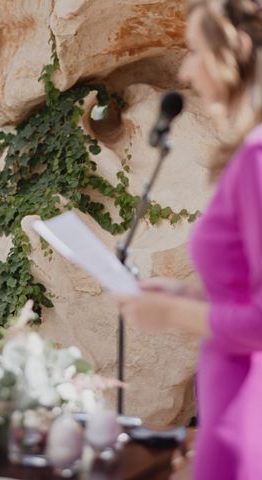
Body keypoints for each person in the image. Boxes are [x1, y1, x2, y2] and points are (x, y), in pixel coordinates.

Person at [114, 1, 262, 478]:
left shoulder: (257, 159)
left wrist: (173, 313)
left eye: (197, 50)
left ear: (236, 49)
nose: (185, 68)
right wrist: (189, 294)